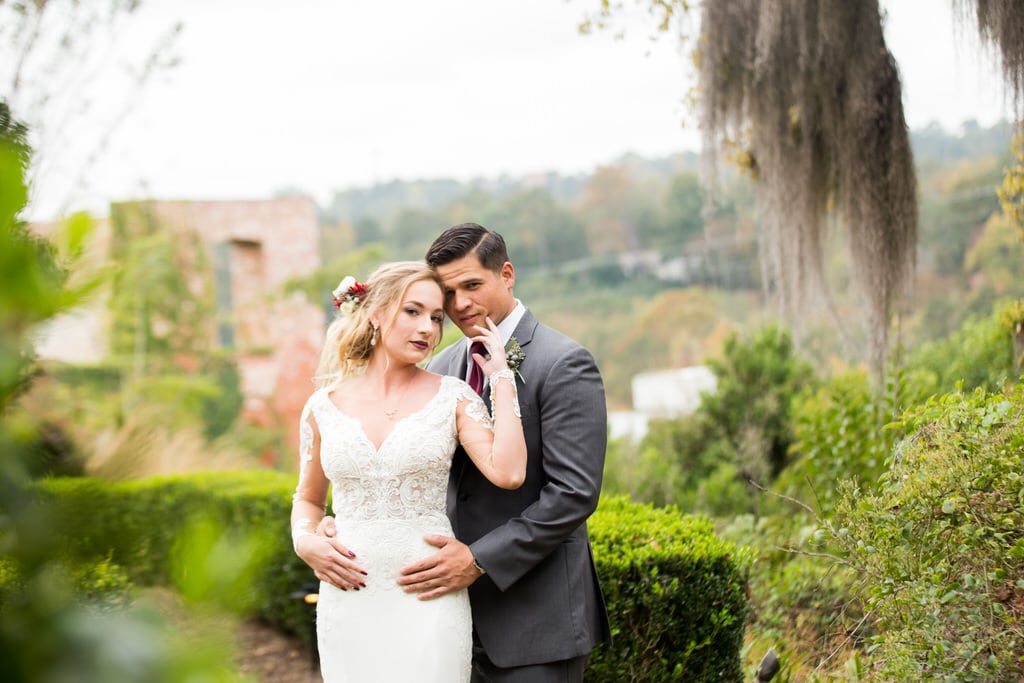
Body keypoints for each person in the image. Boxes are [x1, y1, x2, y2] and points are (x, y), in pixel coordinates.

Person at [290, 261, 527, 682]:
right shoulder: (322, 407)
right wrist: (305, 542)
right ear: (376, 314)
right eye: (413, 312)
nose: (428, 329)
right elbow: (308, 499)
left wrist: (501, 379)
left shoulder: (453, 397)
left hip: (428, 598)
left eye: (436, 318)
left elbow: (508, 473)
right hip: (349, 601)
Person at [407, 223, 613, 681]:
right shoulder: (440, 368)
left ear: (507, 274)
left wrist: (479, 559)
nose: (459, 303)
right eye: (448, 291)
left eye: (472, 285)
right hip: (448, 620)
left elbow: (574, 494)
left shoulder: (563, 362)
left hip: (536, 619)